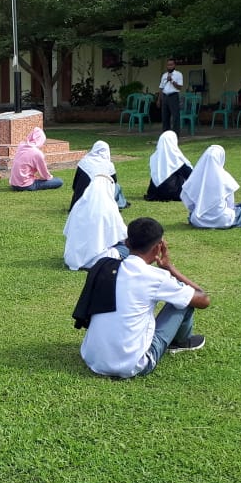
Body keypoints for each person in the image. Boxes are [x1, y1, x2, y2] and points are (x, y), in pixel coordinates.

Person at [75, 216, 210, 378]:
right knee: (184, 301)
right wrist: (169, 267)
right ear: (158, 248)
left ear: (126, 243)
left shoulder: (105, 266)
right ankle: (181, 342)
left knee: (180, 297)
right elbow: (203, 299)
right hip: (133, 365)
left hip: (91, 357)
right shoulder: (156, 277)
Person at [181, 145, 241, 229]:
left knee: (194, 213)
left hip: (198, 220)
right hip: (223, 219)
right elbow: (230, 205)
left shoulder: (196, 177)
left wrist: (197, 210)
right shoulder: (225, 177)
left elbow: (187, 199)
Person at [64, 174, 128, 271]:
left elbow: (67, 231)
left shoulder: (78, 205)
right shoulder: (109, 208)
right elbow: (123, 235)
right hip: (98, 260)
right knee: (130, 246)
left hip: (72, 258)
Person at [70, 140, 128, 210]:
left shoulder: (84, 162)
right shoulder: (109, 165)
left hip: (78, 203)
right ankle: (121, 204)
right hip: (99, 202)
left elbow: (75, 185)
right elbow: (114, 182)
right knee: (117, 186)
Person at [144, 131, 193, 203]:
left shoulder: (154, 157)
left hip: (155, 191)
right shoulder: (175, 157)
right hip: (173, 191)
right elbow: (190, 174)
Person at [158, 58, 184, 134]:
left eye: (171, 65)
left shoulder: (178, 74)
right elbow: (161, 87)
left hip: (173, 96)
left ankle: (176, 135)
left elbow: (179, 87)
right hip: (165, 97)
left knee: (175, 117)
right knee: (165, 117)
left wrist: (172, 81)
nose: (169, 66)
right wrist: (159, 99)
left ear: (174, 65)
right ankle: (166, 135)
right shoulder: (164, 75)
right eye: (168, 65)